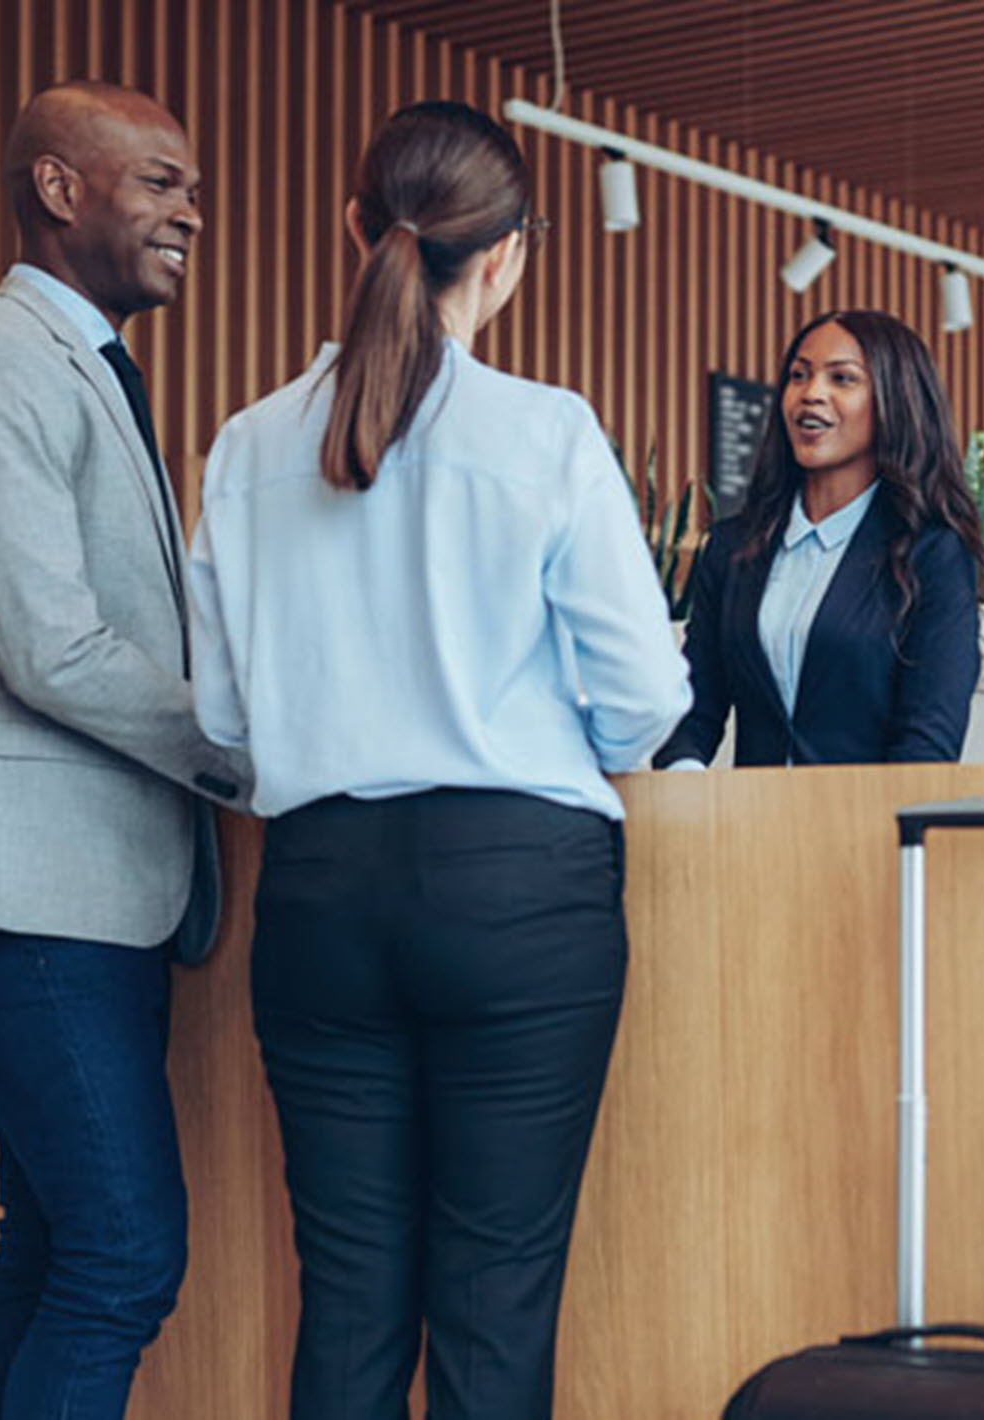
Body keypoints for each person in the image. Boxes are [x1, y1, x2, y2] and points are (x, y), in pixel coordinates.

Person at [185, 100, 689, 1420]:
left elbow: (222, 729)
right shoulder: (546, 434)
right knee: (493, 1298)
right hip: (521, 896)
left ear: (357, 230)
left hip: (319, 897)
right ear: (514, 253)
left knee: (347, 1298)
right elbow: (645, 704)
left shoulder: (245, 449)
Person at [0, 81, 249, 1420]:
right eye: (159, 181)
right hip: (23, 892)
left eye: (190, 186)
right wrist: (250, 751)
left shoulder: (78, 365)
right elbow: (52, 648)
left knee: (52, 1247)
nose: (192, 212)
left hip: (87, 893)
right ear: (58, 188)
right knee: (122, 1255)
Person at [655, 310, 984, 768]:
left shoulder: (933, 552)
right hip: (744, 829)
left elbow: (928, 740)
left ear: (894, 398)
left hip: (868, 827)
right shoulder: (733, 547)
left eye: (842, 379)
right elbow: (692, 711)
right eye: (799, 375)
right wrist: (686, 781)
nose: (811, 394)